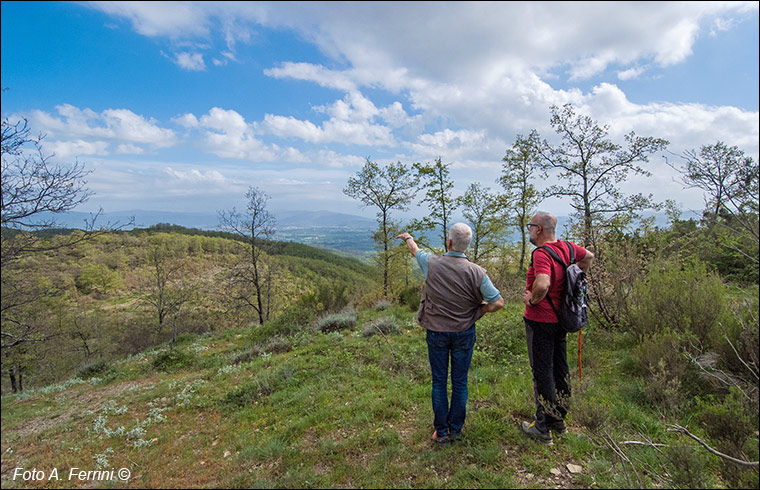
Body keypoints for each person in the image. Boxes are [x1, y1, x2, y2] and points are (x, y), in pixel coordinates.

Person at [397, 223, 504, 445]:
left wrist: (408, 237)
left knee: (439, 382)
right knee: (460, 382)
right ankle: (455, 430)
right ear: (467, 245)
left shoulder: (432, 263)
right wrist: (479, 311)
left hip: (436, 332)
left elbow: (414, 251)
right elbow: (498, 302)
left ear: (449, 242)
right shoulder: (477, 272)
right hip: (464, 332)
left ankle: (441, 432)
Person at [521, 212, 594, 445]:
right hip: (562, 319)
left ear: (539, 229)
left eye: (530, 226)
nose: (529, 230)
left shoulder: (541, 254)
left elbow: (542, 283)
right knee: (560, 368)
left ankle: (543, 428)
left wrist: (533, 299)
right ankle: (559, 420)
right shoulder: (568, 248)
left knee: (542, 371)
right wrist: (574, 274)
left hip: (541, 320)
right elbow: (588, 257)